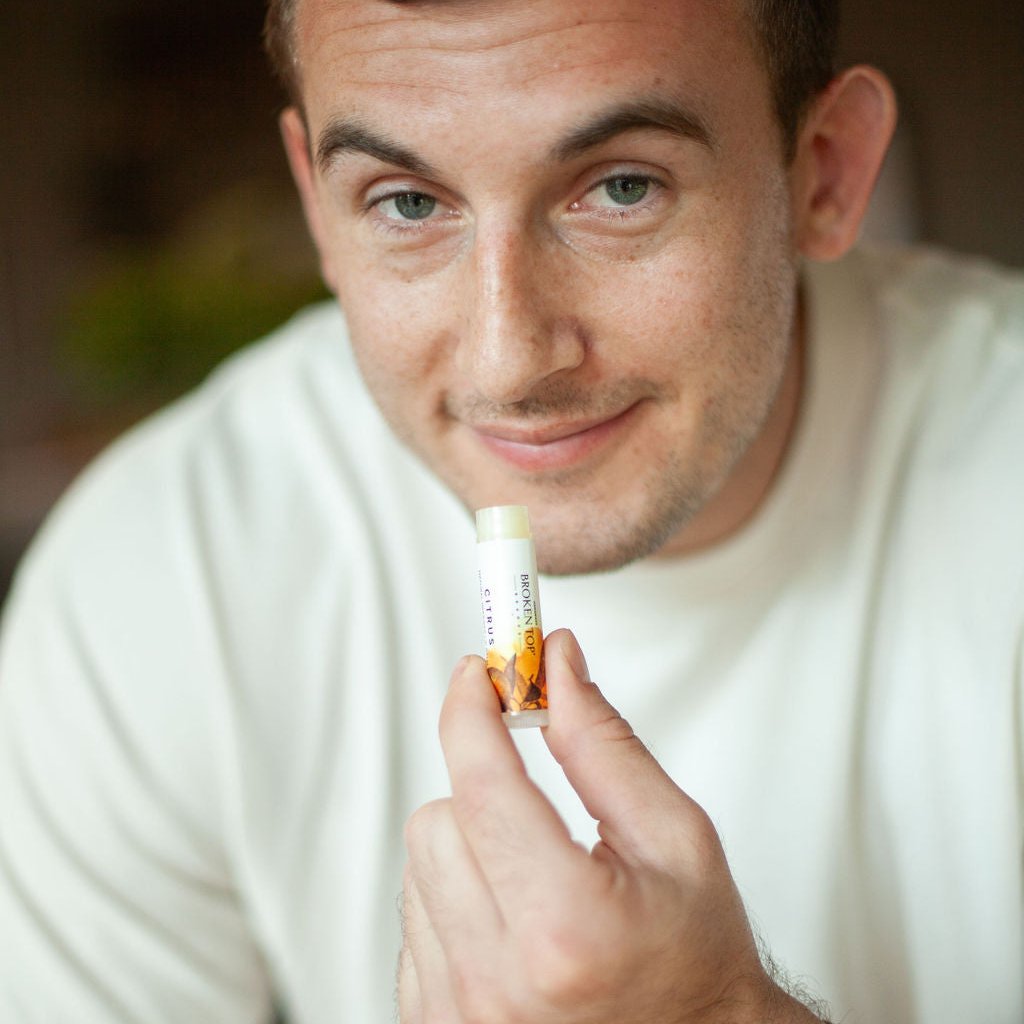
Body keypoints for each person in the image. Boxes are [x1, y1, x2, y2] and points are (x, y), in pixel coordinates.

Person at [1, 0, 1021, 1020]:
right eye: (405, 204)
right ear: (316, 200)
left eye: (621, 189)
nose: (508, 360)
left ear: (826, 171)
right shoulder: (158, 577)